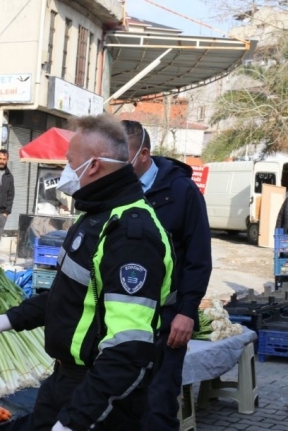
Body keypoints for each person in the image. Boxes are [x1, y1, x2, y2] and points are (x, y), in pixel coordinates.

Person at [0, 114, 174, 431]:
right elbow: (69, 294)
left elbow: (127, 349)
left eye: (70, 161)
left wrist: (74, 421)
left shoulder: (130, 234)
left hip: (101, 396)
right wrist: (14, 318)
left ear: (94, 165)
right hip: (65, 380)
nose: (66, 170)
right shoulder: (96, 214)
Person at [122, 120, 212, 431]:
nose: (118, 164)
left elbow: (199, 258)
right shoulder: (117, 192)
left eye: (124, 157)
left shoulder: (181, 191)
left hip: (167, 322)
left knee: (158, 407)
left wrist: (187, 312)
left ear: (143, 154)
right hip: (123, 322)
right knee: (123, 406)